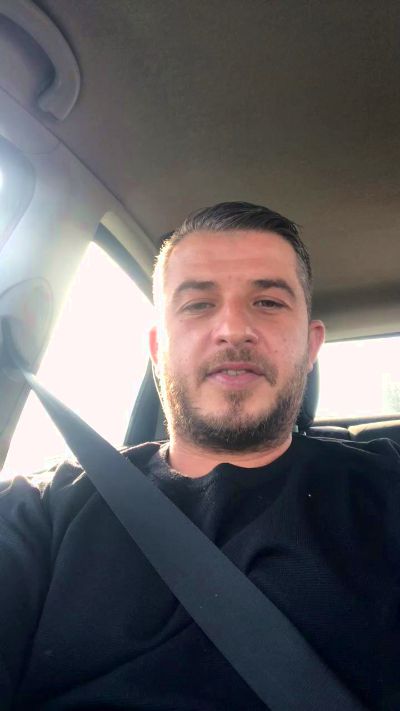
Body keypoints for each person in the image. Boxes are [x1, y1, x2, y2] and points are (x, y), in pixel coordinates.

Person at [0, 201, 399, 711]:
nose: (233, 328)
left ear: (311, 346)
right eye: (197, 305)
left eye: (268, 302)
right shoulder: (41, 512)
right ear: (157, 348)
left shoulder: (387, 489)